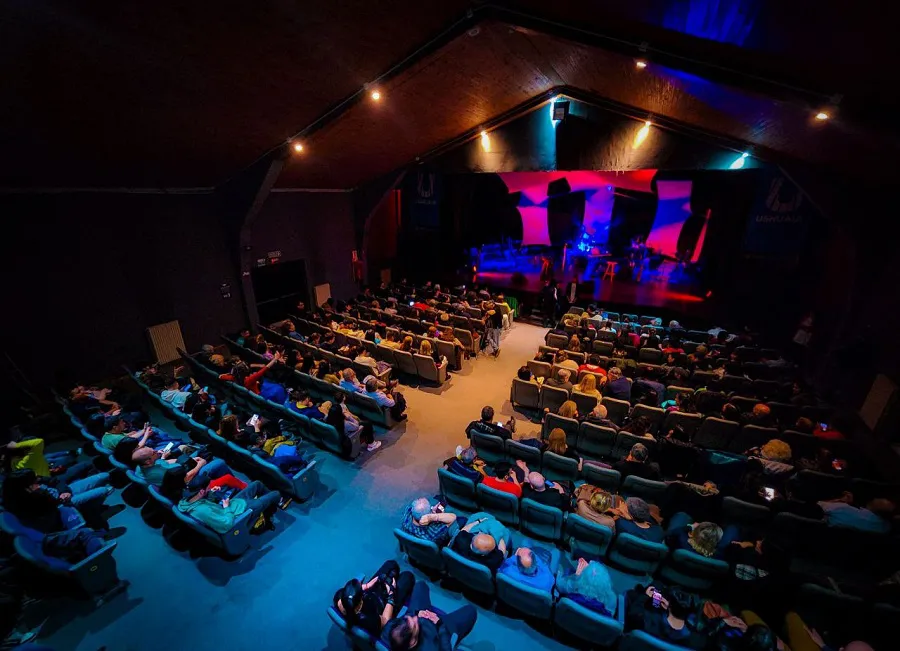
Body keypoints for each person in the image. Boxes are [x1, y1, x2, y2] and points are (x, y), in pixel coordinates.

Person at [383, 581, 478, 651]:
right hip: (439, 628)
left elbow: (406, 620)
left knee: (420, 586)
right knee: (471, 611)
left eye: (408, 620)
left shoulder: (391, 631)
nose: (415, 619)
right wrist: (440, 624)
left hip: (420, 613)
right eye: (414, 624)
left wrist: (416, 613)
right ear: (412, 643)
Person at [334, 561, 415, 638]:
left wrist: (367, 586)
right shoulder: (367, 619)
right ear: (359, 605)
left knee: (391, 564)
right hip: (383, 607)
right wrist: (391, 594)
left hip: (370, 595)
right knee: (408, 576)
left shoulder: (339, 598)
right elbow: (385, 620)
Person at [177, 480, 280, 533]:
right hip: (236, 516)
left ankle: (265, 510)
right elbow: (226, 525)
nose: (211, 487)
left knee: (257, 484)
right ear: (201, 491)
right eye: (209, 486)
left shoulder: (188, 500)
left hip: (231, 506)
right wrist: (227, 507)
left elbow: (211, 505)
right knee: (276, 494)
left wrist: (212, 493)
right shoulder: (203, 511)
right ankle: (267, 514)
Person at [626, 584, 703, 648]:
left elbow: (633, 613)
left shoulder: (646, 620)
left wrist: (645, 596)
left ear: (667, 605)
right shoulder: (694, 641)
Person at [817, 492, 895, 533]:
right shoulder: (885, 528)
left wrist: (840, 500)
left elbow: (819, 504)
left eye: (879, 500)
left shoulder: (842, 509)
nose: (876, 498)